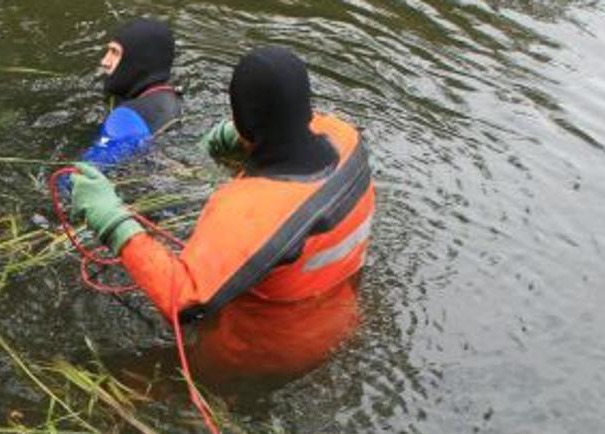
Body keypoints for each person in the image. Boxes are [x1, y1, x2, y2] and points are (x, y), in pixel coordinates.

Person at [68, 46, 376, 383]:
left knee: (119, 381)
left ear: (244, 120)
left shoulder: (247, 210)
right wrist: (242, 136)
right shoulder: (348, 141)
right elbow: (305, 120)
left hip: (264, 353)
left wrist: (112, 220)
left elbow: (182, 302)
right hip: (341, 318)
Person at [80, 18, 184, 165]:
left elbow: (78, 180)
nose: (104, 61)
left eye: (115, 52)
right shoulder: (172, 99)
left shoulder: (126, 117)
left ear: (138, 60)